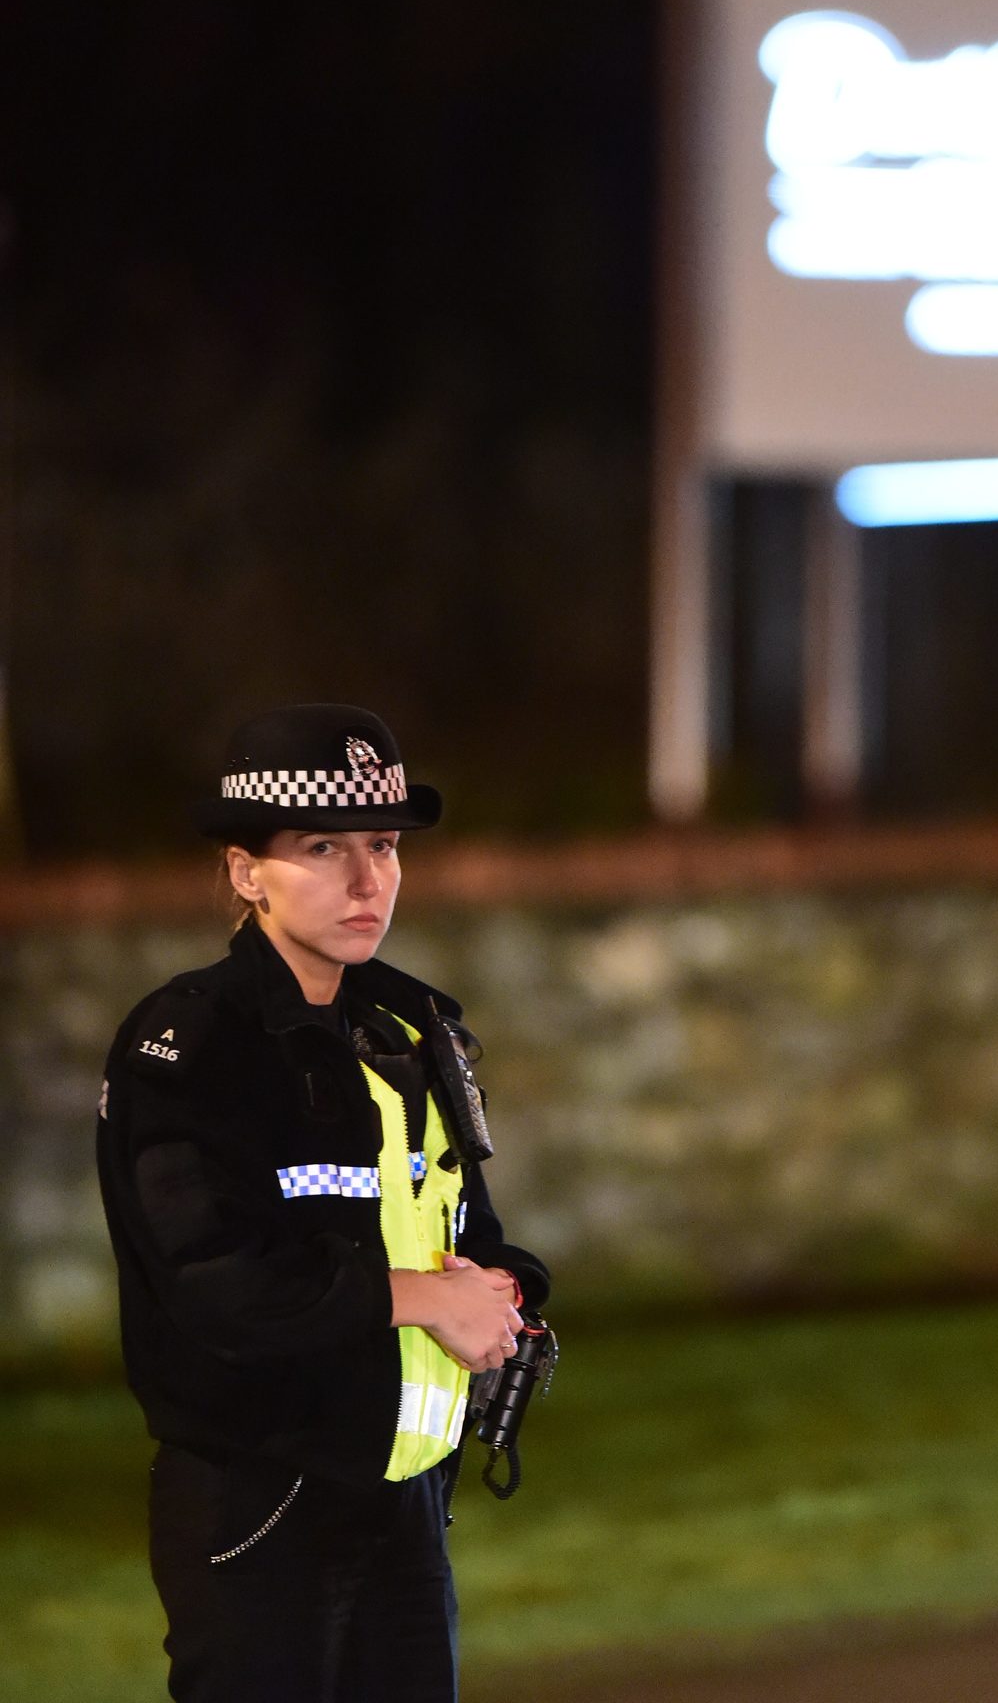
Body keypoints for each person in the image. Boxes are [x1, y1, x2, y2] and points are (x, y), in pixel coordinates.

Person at [96, 703, 550, 1703]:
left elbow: (465, 1227)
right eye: (321, 846)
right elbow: (218, 1285)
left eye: (383, 844)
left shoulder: (412, 1027)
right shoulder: (189, 1044)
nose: (367, 879)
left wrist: (500, 1288)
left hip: (407, 1502)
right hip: (261, 1502)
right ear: (244, 869)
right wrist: (429, 1302)